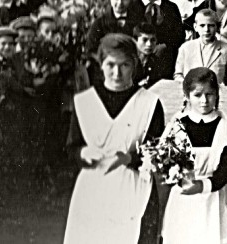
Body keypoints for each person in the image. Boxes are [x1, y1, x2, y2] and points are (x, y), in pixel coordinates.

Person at [64, 34, 164, 244]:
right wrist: (84, 152)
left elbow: (157, 151)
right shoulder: (85, 101)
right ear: (101, 64)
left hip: (134, 187)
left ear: (134, 65)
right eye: (110, 65)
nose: (117, 73)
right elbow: (73, 146)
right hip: (94, 188)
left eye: (124, 65)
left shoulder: (149, 103)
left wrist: (129, 158)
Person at [161, 67, 227, 244]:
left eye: (209, 94)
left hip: (214, 198)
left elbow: (226, 170)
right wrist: (177, 178)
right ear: (187, 96)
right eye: (197, 95)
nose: (204, 101)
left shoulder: (226, 129)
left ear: (217, 95)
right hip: (183, 198)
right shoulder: (176, 127)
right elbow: (166, 161)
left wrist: (201, 186)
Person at [174, 9, 227, 84]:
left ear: (217, 27)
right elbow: (178, 75)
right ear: (195, 27)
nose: (206, 29)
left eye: (211, 25)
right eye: (202, 25)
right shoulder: (185, 48)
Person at [133, 23, 173, 88]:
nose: (149, 44)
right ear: (135, 41)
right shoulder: (127, 62)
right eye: (144, 40)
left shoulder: (157, 62)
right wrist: (137, 87)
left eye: (153, 40)